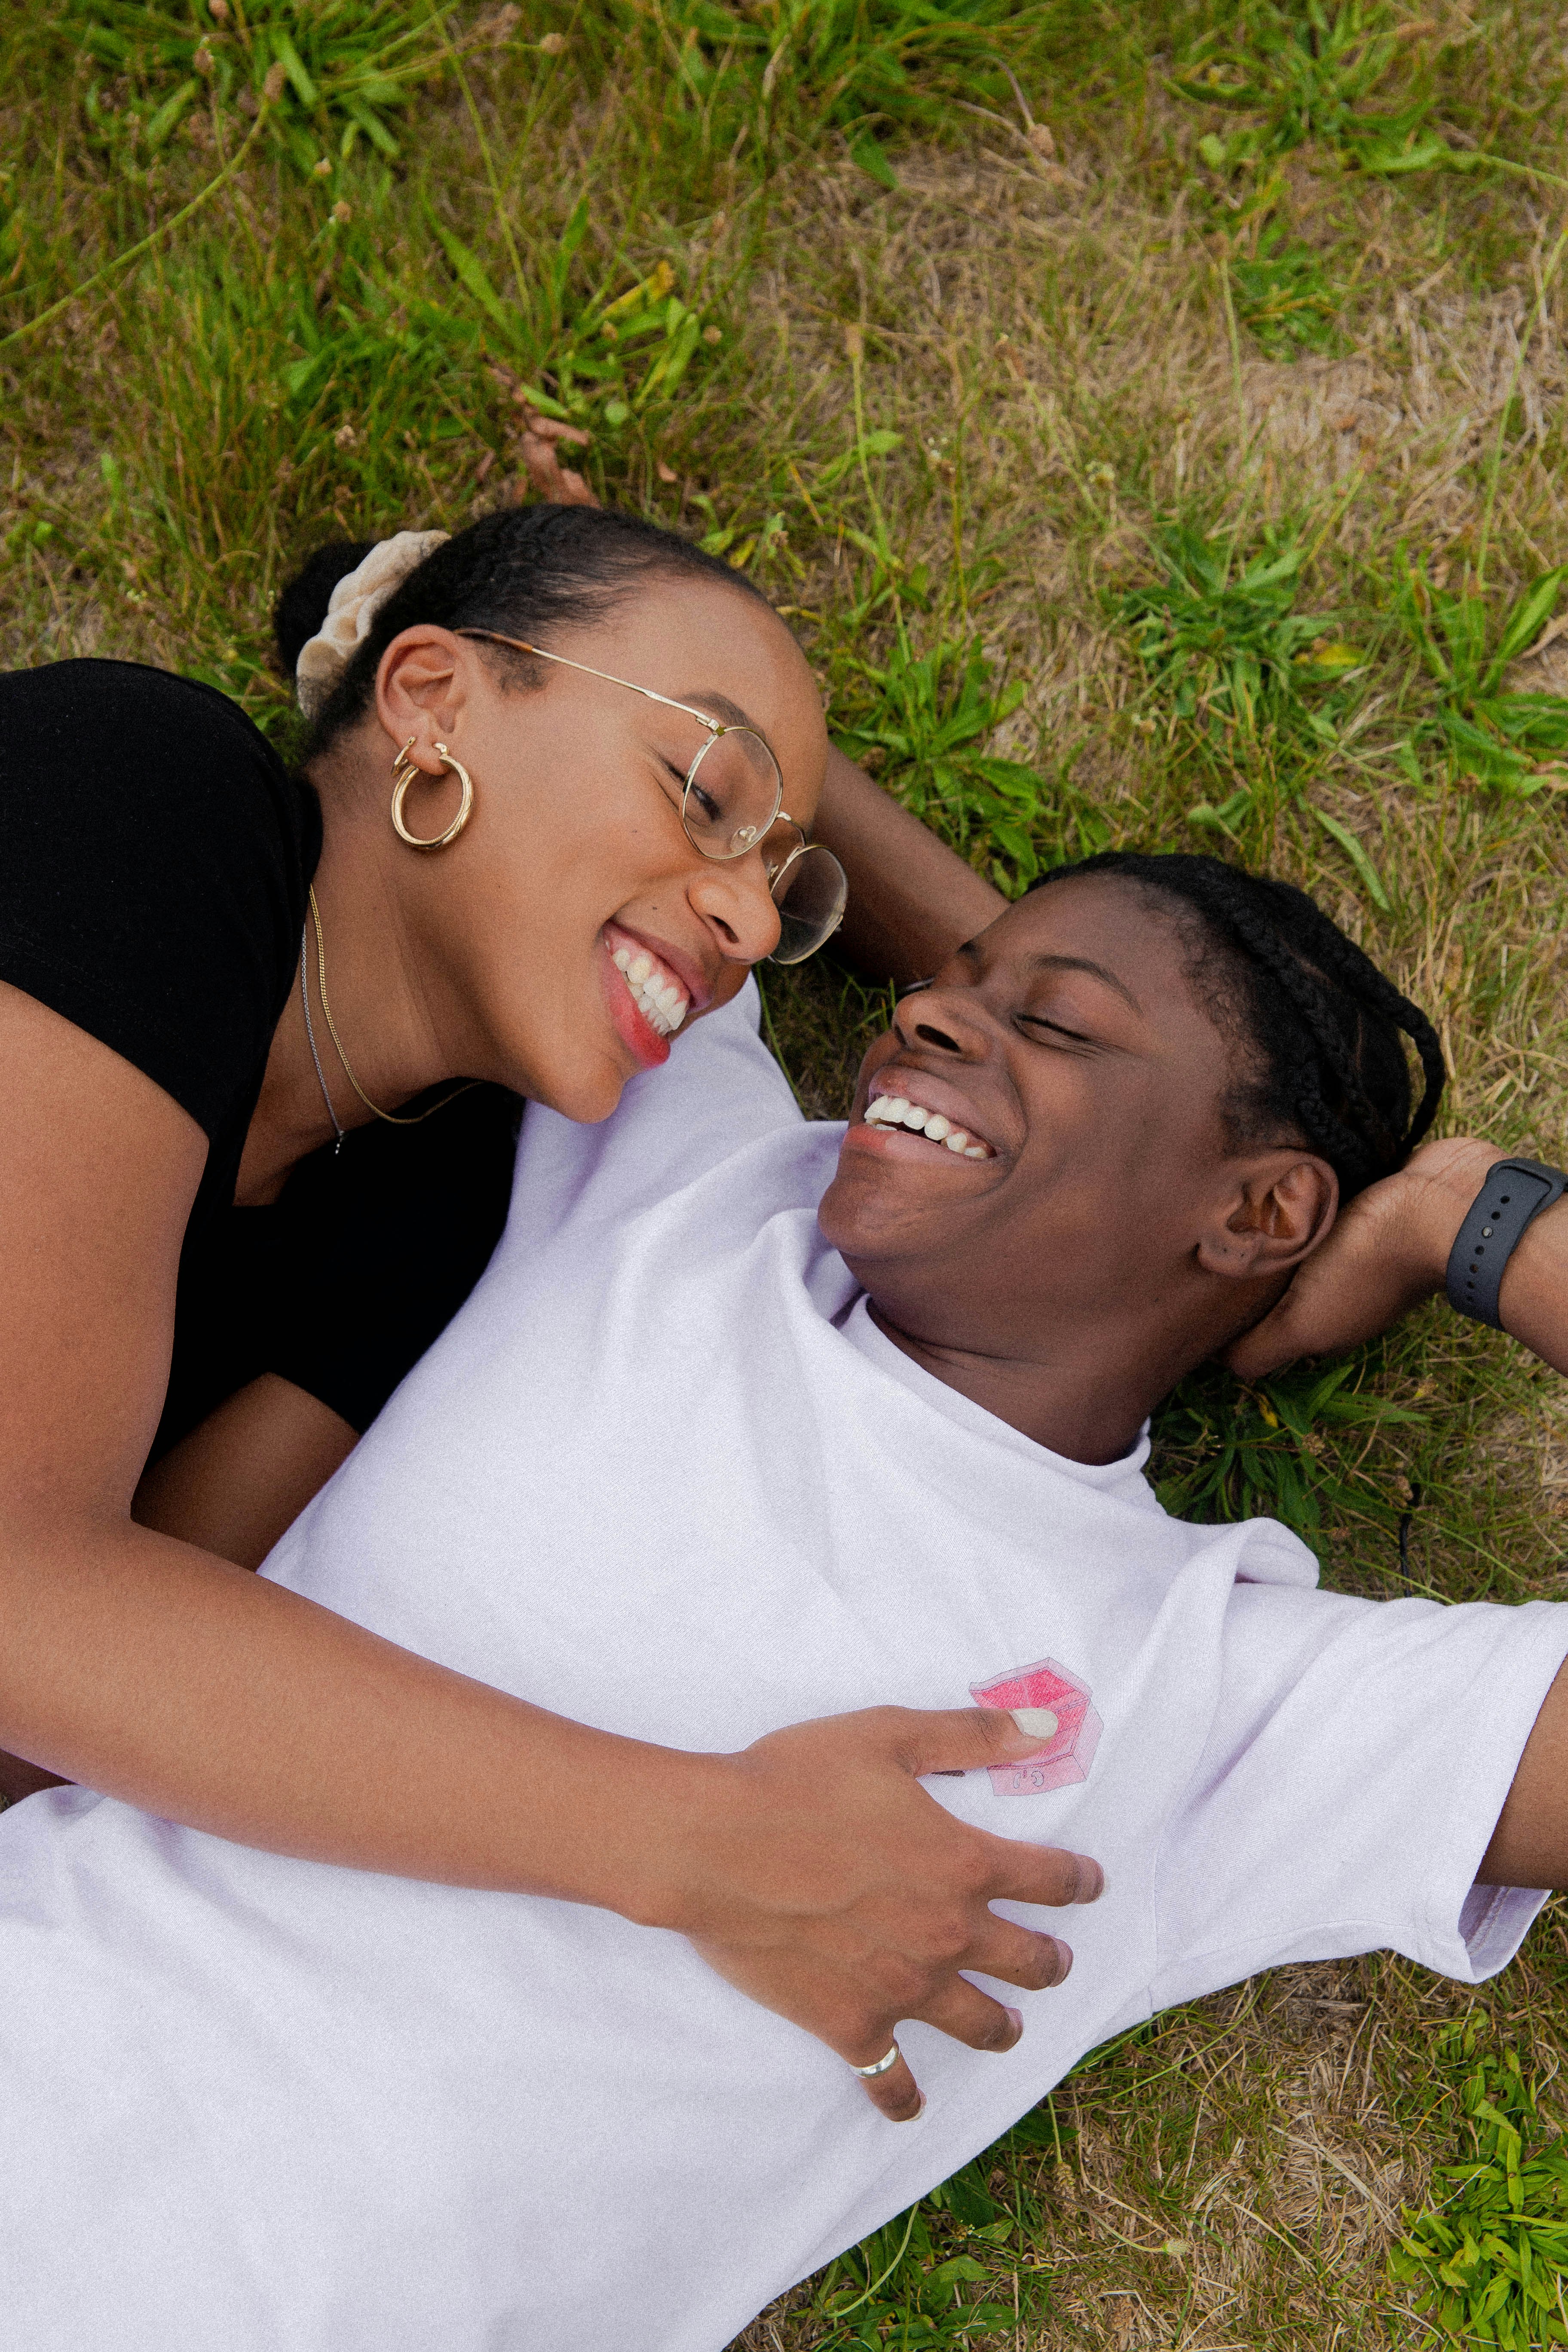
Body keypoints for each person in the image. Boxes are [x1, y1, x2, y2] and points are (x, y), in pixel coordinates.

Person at [5, 851, 1567, 2352]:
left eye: (1059, 1022)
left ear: (1260, 1213)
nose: (922, 1015)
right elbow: (624, 755)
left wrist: (1472, 1219)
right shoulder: (687, 1175)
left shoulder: (1207, 1684)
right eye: (946, 985)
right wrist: (995, 978)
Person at [0, 499, 1062, 2082]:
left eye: (785, 883)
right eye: (707, 794)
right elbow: (31, 1599)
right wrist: (699, 1843)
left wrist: (1098, 1065)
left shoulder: (430, 1205)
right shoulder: (137, 799)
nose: (757, 922)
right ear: (430, 702)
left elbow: (55, 1732)